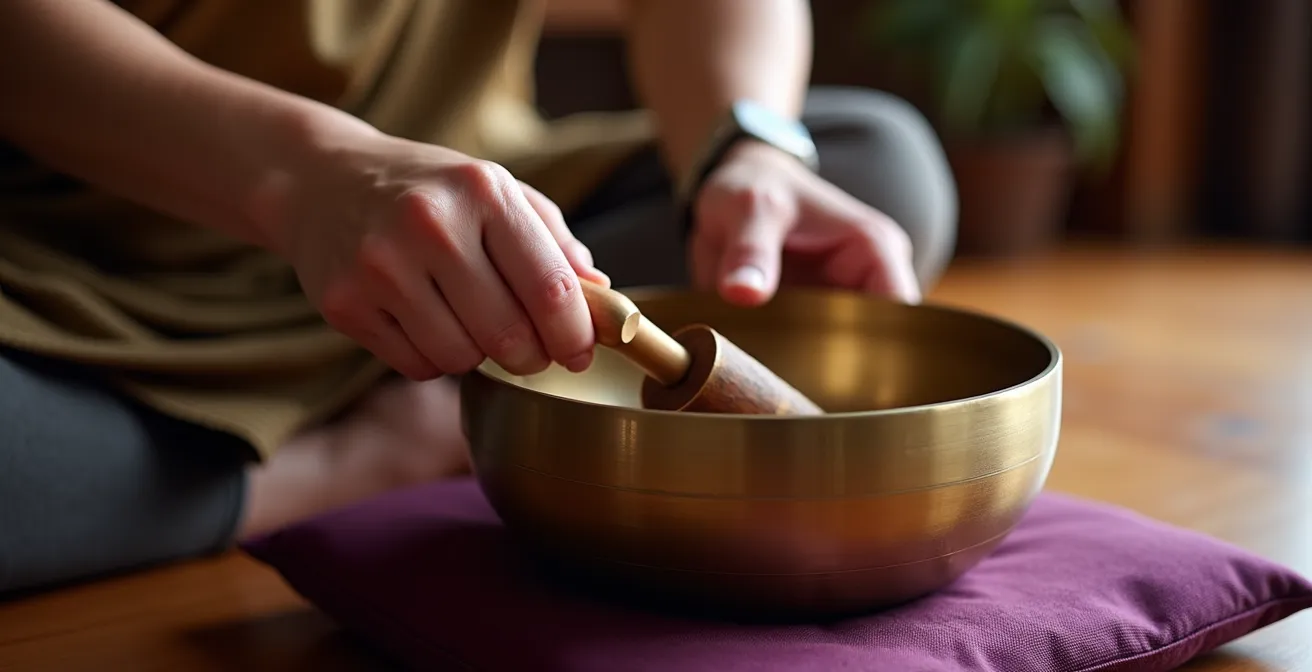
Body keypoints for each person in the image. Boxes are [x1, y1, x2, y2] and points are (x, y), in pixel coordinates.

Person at [0, 0, 956, 596]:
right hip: (70, 267)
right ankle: (367, 454)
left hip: (477, 237)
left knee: (874, 176)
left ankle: (458, 390)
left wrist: (743, 144)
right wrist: (308, 178)